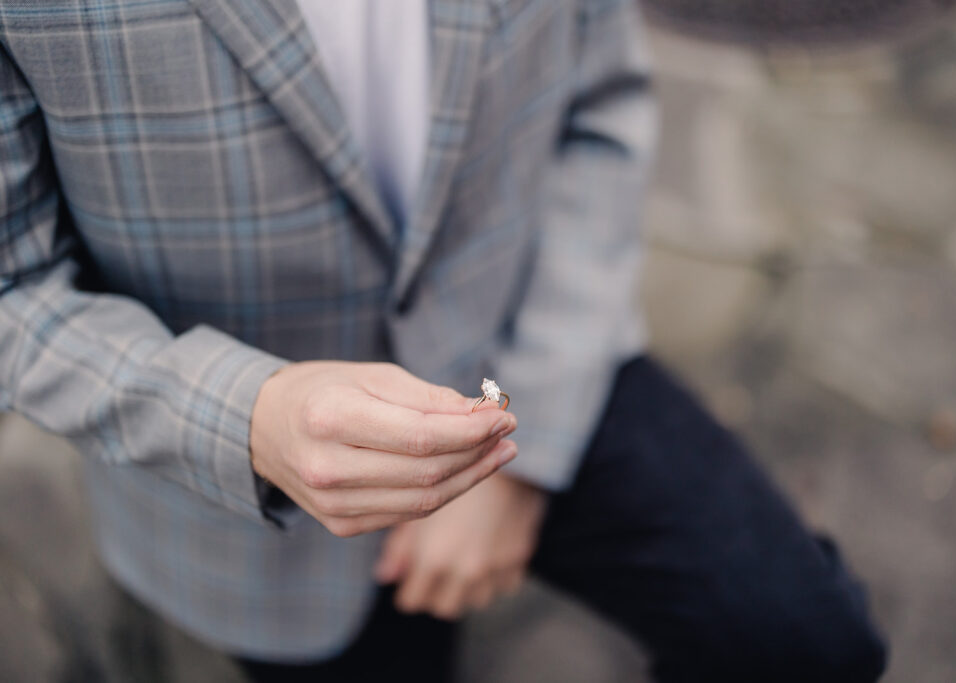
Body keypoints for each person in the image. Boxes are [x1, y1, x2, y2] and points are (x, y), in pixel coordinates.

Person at [0, 1, 887, 681]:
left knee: (804, 638)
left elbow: (599, 109)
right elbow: (14, 292)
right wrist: (244, 419)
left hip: (535, 342)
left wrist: (526, 454)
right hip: (256, 511)